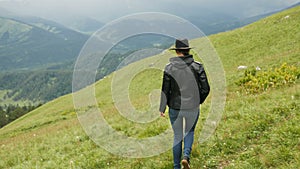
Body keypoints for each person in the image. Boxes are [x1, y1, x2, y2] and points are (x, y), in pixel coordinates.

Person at [159, 38, 210, 169]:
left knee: (177, 136)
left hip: (175, 107)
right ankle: (186, 157)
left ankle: (177, 167)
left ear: (177, 52)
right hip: (192, 106)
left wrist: (162, 107)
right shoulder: (197, 66)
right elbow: (206, 88)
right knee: (189, 131)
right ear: (187, 50)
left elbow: (165, 90)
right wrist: (198, 101)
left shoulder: (169, 68)